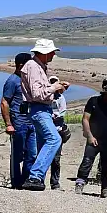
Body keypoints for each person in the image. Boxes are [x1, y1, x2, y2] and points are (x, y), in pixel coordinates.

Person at [20, 39, 69, 191]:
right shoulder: (33, 67)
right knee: (54, 140)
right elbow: (37, 94)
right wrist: (54, 87)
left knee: (43, 146)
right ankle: (35, 176)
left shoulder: (39, 66)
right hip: (39, 109)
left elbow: (41, 92)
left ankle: (36, 179)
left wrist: (56, 89)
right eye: (52, 52)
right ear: (44, 53)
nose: (54, 54)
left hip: (41, 109)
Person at [75, 79, 107, 198]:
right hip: (94, 137)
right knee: (87, 161)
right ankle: (80, 184)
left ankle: (104, 189)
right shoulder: (93, 101)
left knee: (106, 165)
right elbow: (85, 119)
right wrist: (90, 136)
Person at [0, 53, 37, 189]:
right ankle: (16, 183)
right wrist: (8, 124)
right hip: (18, 123)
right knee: (17, 155)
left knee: (32, 154)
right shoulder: (12, 81)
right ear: (21, 66)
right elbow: (4, 103)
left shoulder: (29, 80)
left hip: (31, 122)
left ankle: (27, 180)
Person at [49, 76, 69, 191]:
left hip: (57, 131)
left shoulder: (61, 98)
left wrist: (56, 116)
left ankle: (55, 183)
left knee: (56, 159)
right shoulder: (45, 96)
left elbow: (63, 112)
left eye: (54, 83)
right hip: (46, 131)